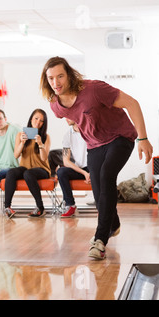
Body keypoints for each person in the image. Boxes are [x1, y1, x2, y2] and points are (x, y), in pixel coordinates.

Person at [40, 56, 153, 260]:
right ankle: (114, 224)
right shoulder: (56, 106)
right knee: (98, 188)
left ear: (69, 75)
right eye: (50, 78)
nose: (55, 83)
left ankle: (99, 240)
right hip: (94, 145)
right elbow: (70, 115)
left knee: (106, 175)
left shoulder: (94, 90)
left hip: (120, 137)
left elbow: (132, 104)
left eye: (60, 76)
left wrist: (143, 138)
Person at [3, 108, 51, 218]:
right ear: (31, 119)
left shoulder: (46, 137)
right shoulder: (20, 134)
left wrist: (40, 144)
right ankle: (7, 207)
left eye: (41, 121)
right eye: (36, 118)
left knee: (28, 174)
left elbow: (44, 158)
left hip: (42, 169)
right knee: (11, 172)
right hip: (25, 167)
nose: (38, 122)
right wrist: (22, 142)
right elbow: (16, 155)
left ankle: (40, 208)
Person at [57, 118, 90, 218]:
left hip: (93, 167)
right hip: (80, 170)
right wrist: (84, 173)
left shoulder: (89, 130)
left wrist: (92, 171)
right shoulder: (68, 135)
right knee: (61, 172)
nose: (66, 119)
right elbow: (66, 161)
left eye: (68, 115)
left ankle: (102, 207)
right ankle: (70, 205)